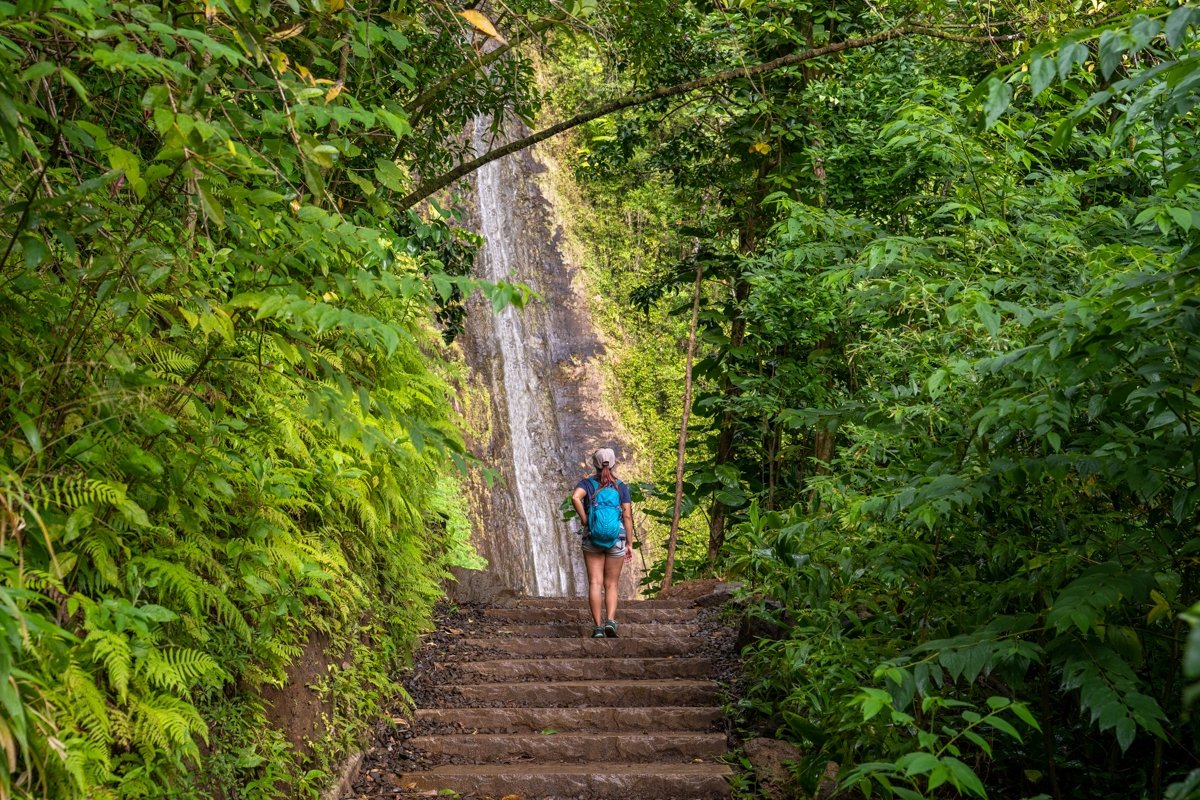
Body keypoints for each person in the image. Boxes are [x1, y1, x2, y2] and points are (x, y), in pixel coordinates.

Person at [570, 448, 633, 638]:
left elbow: (575, 497)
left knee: (595, 583)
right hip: (617, 538)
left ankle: (597, 627)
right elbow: (627, 516)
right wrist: (629, 543)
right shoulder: (621, 486)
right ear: (613, 464)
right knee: (612, 584)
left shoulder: (587, 484)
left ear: (594, 464)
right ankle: (611, 621)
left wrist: (585, 518)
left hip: (592, 536)